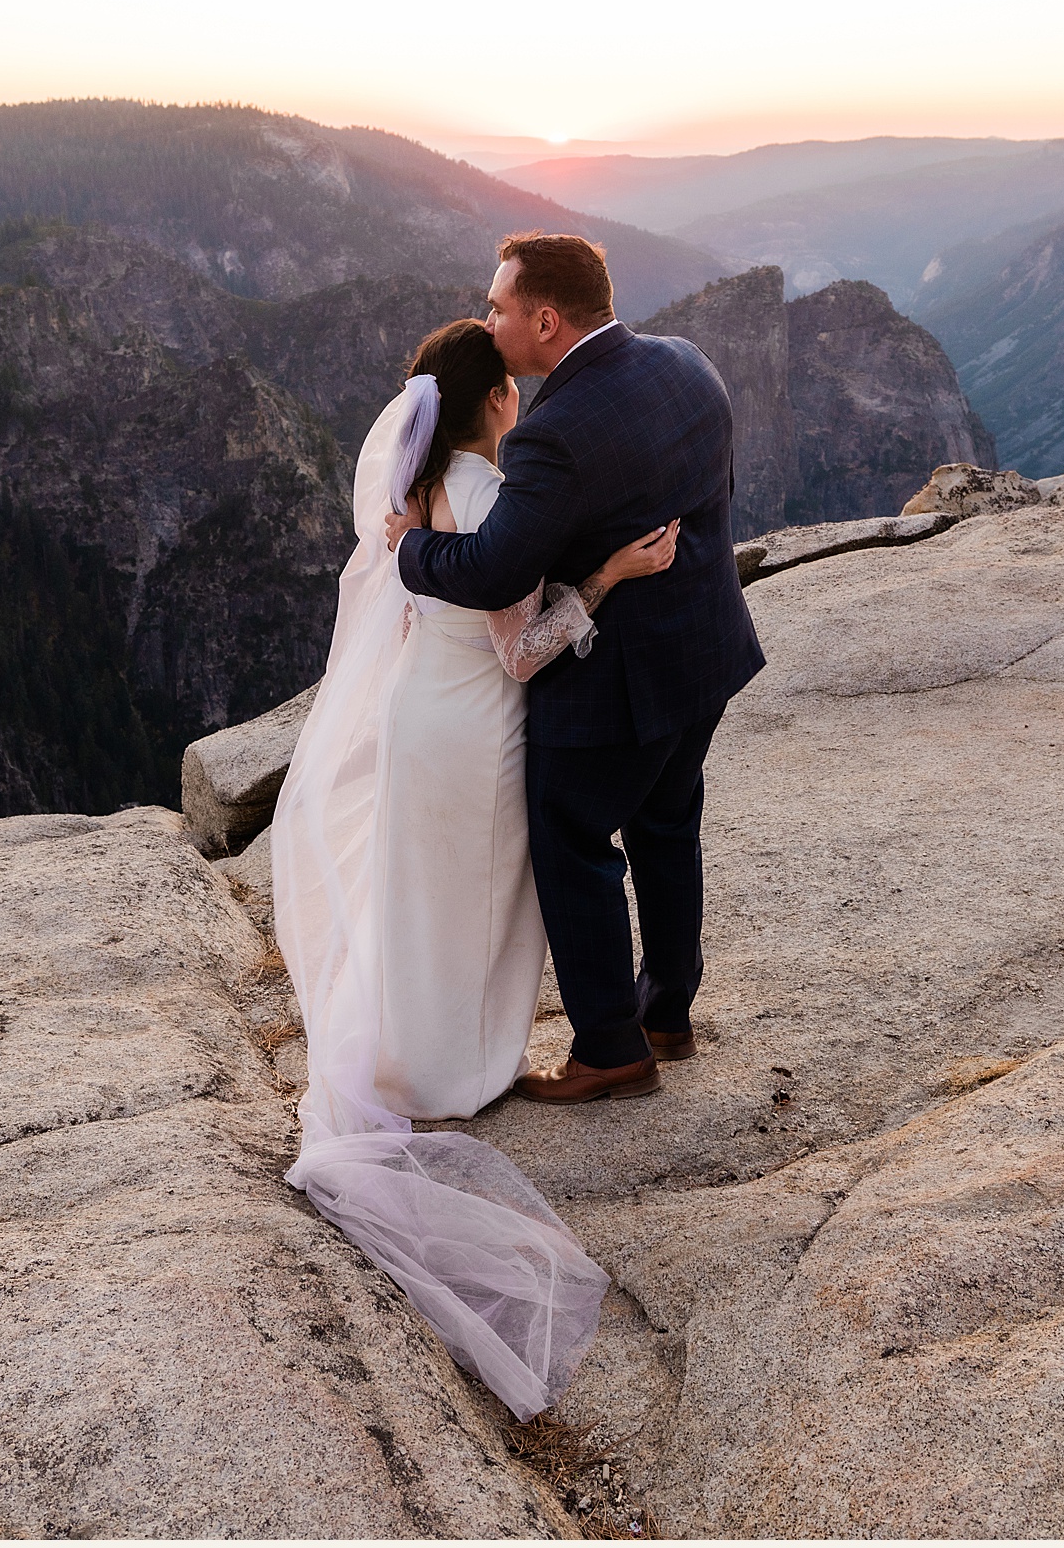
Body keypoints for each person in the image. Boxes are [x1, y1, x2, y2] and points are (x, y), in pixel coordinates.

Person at [270, 315, 681, 1417]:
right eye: (512, 387)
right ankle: (459, 1069)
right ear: (497, 399)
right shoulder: (489, 497)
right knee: (478, 899)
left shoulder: (415, 496)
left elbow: (415, 617)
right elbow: (523, 648)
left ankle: (408, 1047)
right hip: (477, 729)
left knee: (418, 889)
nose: (521, 398)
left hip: (421, 715)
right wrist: (604, 577)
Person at [388, 231, 766, 1103]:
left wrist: (410, 552)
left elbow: (491, 571)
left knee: (572, 840)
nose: (490, 318)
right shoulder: (688, 362)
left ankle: (610, 1048)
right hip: (705, 650)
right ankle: (667, 1013)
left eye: (499, 306)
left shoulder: (551, 435)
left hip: (617, 684)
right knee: (669, 827)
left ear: (546, 320)